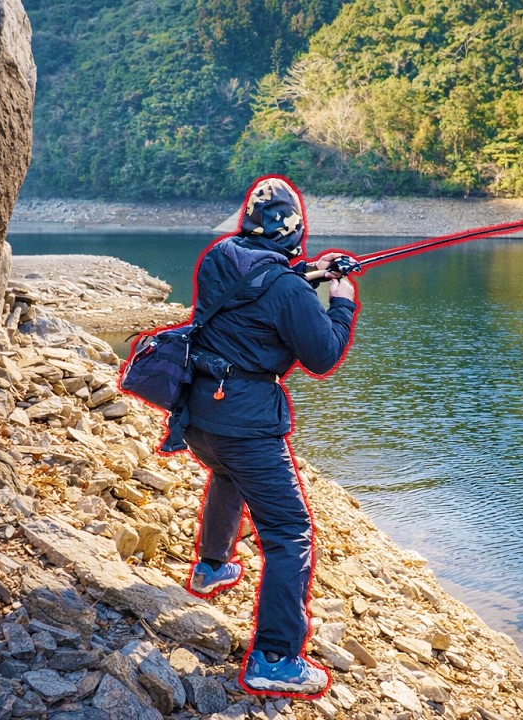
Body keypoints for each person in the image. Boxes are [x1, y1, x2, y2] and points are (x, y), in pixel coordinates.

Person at [180, 176, 357, 697]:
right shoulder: (283, 289)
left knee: (226, 474)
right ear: (293, 231)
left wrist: (308, 274)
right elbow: (322, 355)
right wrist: (341, 300)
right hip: (247, 424)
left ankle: (211, 567)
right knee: (291, 533)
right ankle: (276, 657)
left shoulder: (221, 254)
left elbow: (253, 285)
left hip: (200, 413)